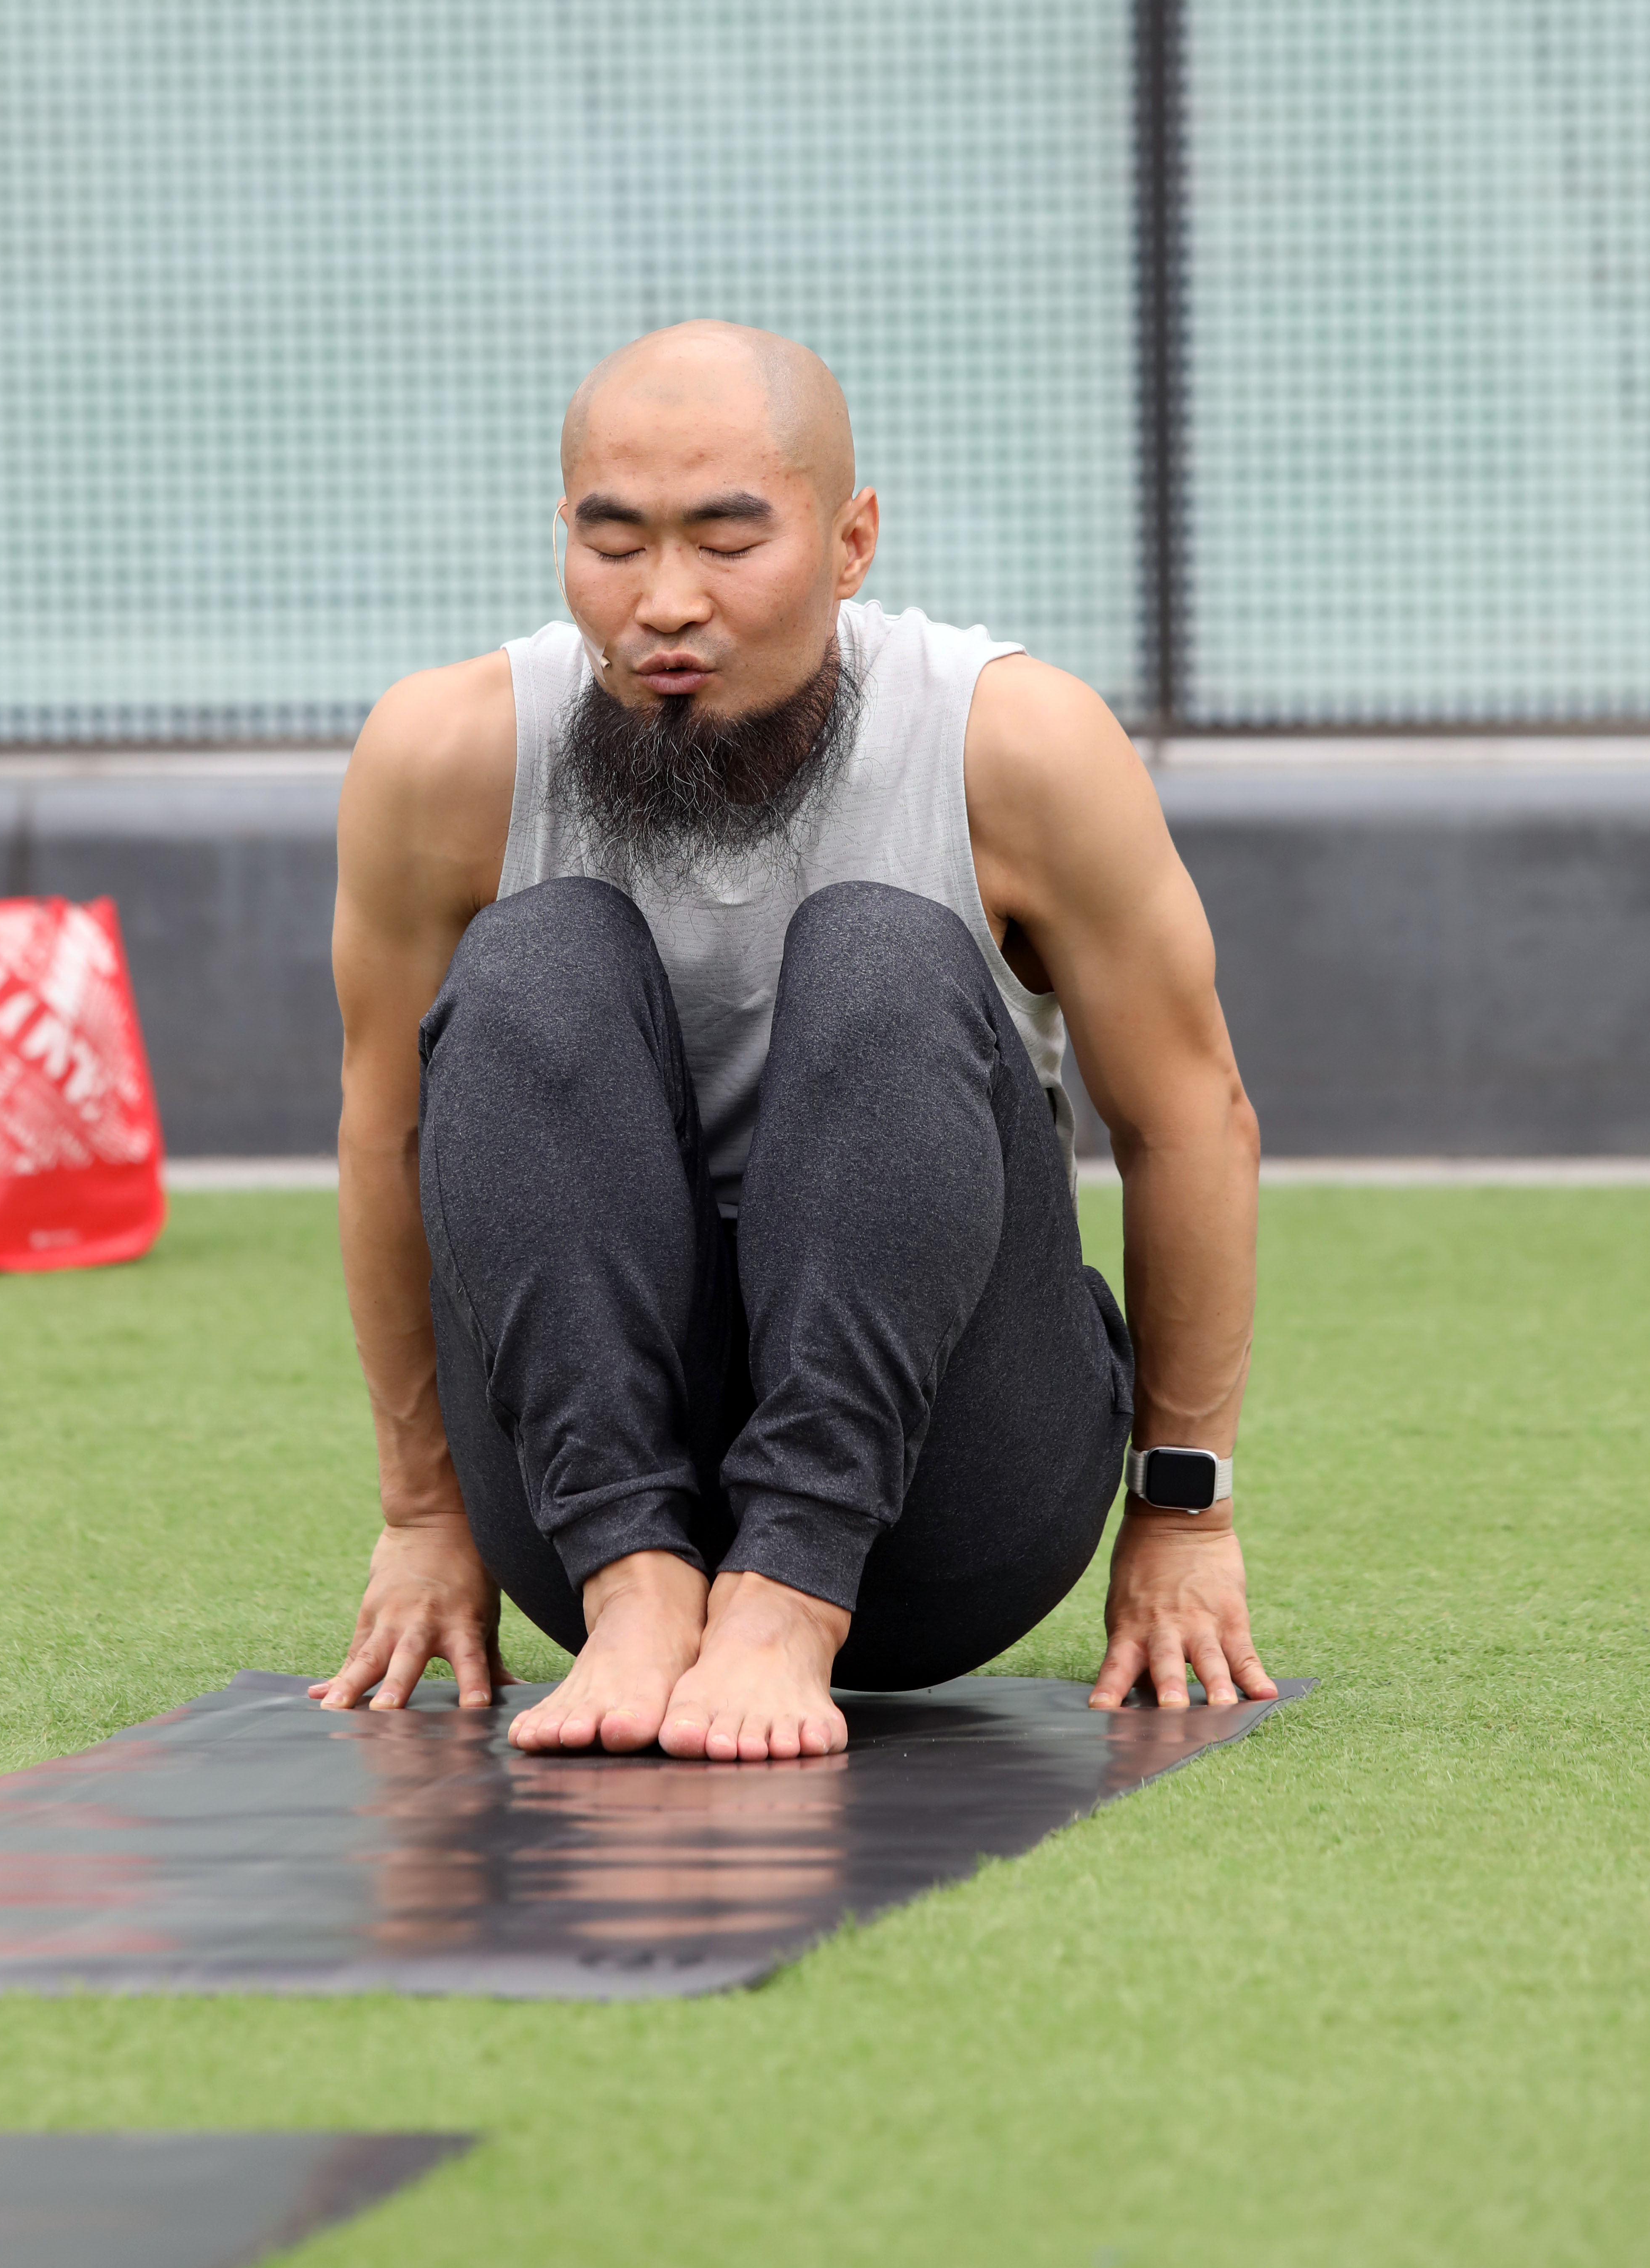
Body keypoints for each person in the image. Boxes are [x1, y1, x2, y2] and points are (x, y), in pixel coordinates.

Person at [313, 320, 1271, 1762]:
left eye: (727, 540)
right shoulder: (447, 755)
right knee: (531, 958)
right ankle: (648, 1599)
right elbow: (387, 1134)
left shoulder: (1013, 742)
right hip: (588, 1512)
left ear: (851, 541)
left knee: (879, 952)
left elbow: (1189, 1118)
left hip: (953, 1514)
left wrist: (1187, 1513)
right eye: (615, 543)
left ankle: (787, 1600)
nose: (666, 603)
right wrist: (427, 1517)